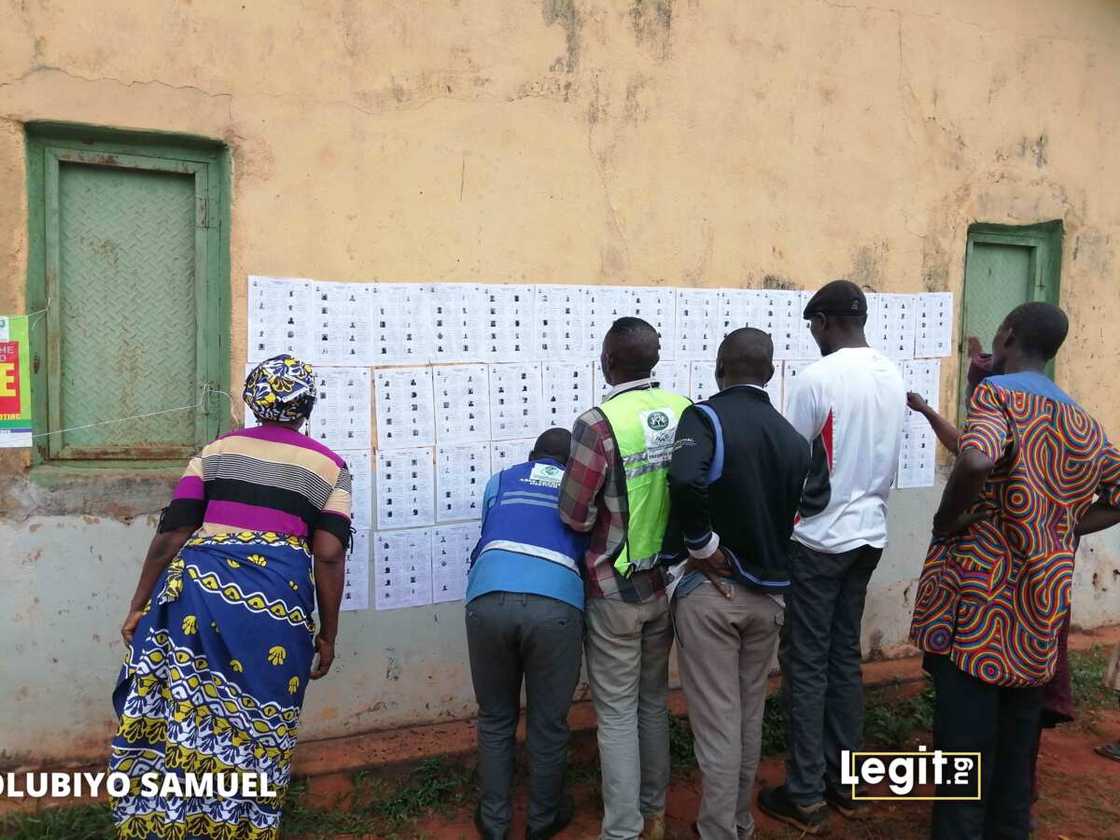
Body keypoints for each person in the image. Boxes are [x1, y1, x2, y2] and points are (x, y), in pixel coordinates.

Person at [110, 355, 351, 839]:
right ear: (307, 407)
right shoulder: (330, 467)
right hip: (276, 606)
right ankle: (240, 826)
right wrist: (328, 634)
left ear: (252, 401)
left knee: (185, 710)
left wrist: (139, 603)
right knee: (259, 722)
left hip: (196, 594)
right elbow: (328, 555)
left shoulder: (215, 451)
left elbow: (172, 534)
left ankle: (172, 823)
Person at [909, 302, 1120, 839]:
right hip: (1038, 615)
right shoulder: (1082, 421)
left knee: (964, 755)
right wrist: (1062, 522)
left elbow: (977, 458)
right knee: (1015, 754)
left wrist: (946, 519)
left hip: (981, 611)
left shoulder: (998, 395)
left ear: (1006, 336)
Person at [758, 280, 907, 835]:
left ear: (823, 323)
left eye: (812, 327)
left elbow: (791, 460)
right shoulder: (892, 374)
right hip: (869, 535)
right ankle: (845, 784)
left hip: (819, 540)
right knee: (844, 658)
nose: (813, 336)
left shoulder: (816, 379)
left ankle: (804, 794)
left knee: (806, 664)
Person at [667, 328, 810, 840]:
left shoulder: (704, 418)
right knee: (748, 717)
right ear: (770, 373)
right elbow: (813, 503)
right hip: (769, 599)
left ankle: (718, 831)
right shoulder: (793, 439)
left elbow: (684, 478)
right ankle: (739, 823)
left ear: (719, 368)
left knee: (718, 723)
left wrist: (702, 544)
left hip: (715, 594)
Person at [559, 316, 691, 840]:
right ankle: (653, 814)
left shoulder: (597, 425)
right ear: (654, 360)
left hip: (613, 589)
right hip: (667, 583)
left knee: (616, 712)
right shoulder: (684, 410)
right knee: (653, 702)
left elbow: (575, 514)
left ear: (608, 362)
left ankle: (621, 829)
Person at [465, 428, 589, 840]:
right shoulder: (580, 487)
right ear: (571, 463)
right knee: (548, 723)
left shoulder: (500, 480)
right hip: (555, 604)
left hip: (488, 597)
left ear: (532, 455)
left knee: (495, 717)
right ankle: (543, 819)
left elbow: (487, 534)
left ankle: (494, 822)